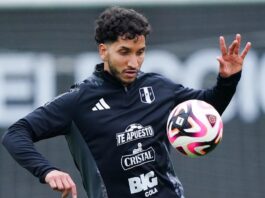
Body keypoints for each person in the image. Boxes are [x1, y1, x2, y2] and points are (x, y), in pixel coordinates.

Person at [2, 6, 251, 198]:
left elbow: (208, 110)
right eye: (124, 52)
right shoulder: (79, 101)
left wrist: (227, 81)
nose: (134, 62)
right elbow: (15, 134)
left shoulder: (158, 86)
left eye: (140, 52)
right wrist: (48, 171)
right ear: (103, 51)